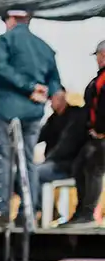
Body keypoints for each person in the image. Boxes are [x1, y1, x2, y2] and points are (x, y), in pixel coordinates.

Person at [0, 8, 62, 226]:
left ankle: (1, 212)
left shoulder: (4, 41)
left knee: (2, 159)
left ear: (11, 19)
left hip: (6, 111)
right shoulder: (45, 48)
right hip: (32, 114)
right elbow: (55, 82)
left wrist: (29, 87)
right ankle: (27, 212)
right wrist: (44, 91)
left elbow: (2, 69)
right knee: (27, 161)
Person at [64, 40, 105, 226]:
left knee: (94, 169)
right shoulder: (98, 79)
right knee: (79, 166)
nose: (97, 59)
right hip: (94, 136)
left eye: (98, 56)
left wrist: (101, 131)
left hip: (102, 136)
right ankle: (81, 211)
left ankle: (88, 214)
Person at [35, 88, 87, 218]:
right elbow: (36, 137)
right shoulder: (52, 120)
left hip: (69, 165)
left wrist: (49, 160)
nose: (50, 102)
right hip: (53, 164)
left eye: (52, 98)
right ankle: (49, 211)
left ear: (62, 96)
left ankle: (40, 210)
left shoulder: (76, 115)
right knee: (25, 172)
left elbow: (67, 145)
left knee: (36, 173)